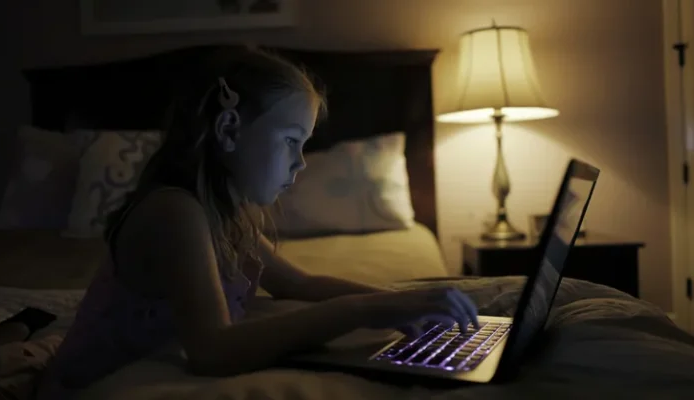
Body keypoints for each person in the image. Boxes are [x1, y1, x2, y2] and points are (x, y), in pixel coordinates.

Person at [35, 46, 479, 399]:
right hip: (91, 385)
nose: (300, 163)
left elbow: (297, 284)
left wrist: (402, 301)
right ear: (229, 130)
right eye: (290, 141)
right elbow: (212, 350)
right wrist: (359, 311)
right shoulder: (175, 212)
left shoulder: (227, 211)